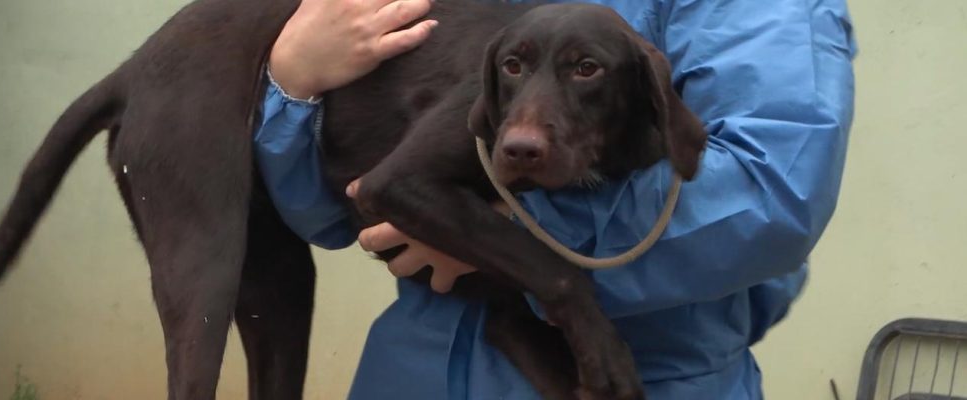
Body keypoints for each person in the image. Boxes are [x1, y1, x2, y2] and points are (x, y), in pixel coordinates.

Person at [252, 0, 858, 398]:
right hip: (415, 366)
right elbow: (332, 215)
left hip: (629, 371)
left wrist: (504, 233)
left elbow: (775, 192)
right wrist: (294, 82)